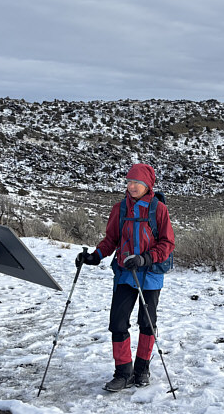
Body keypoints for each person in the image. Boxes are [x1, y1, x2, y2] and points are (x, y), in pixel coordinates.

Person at [75, 163, 175, 392]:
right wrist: (95, 256)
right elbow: (111, 239)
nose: (131, 186)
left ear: (147, 185)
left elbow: (168, 243)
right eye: (129, 182)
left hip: (150, 275)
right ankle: (123, 372)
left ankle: (142, 369)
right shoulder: (119, 209)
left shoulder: (158, 210)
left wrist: (145, 258)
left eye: (137, 182)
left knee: (147, 323)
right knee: (117, 323)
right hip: (124, 274)